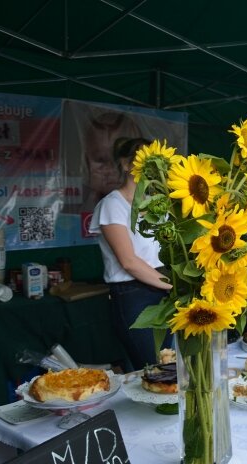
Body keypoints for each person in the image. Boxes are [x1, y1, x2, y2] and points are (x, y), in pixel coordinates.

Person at [89, 137, 173, 370]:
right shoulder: (112, 205)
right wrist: (174, 286)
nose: (152, 167)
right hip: (134, 294)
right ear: (126, 165)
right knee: (154, 370)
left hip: (162, 290)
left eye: (155, 161)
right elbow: (129, 262)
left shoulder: (157, 204)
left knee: (168, 365)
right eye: (144, 159)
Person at [73, 111, 143, 214]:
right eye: (101, 159)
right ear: (87, 162)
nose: (112, 168)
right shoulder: (79, 206)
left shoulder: (150, 205)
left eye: (119, 158)